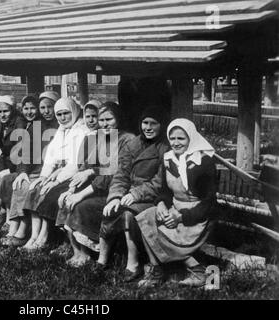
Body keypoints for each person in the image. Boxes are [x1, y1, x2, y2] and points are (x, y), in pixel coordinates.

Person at [133, 118, 217, 288]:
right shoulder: (168, 159)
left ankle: (198, 270)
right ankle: (156, 271)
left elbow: (209, 203)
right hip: (175, 209)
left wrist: (181, 217)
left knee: (161, 233)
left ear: (191, 139)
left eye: (181, 138)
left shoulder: (203, 162)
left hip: (197, 216)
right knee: (146, 217)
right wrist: (162, 204)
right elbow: (164, 191)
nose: (176, 143)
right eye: (172, 138)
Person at [56, 102, 136, 267]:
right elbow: (86, 167)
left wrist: (82, 191)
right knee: (66, 199)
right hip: (98, 186)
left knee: (82, 205)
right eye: (102, 120)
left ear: (118, 119)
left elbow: (115, 172)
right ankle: (76, 250)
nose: (105, 124)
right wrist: (71, 189)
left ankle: (87, 253)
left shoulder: (128, 139)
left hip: (117, 190)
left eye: (109, 119)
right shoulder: (99, 137)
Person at [97, 107, 169, 282]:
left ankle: (133, 262)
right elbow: (121, 174)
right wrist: (114, 196)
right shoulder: (132, 144)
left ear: (162, 126)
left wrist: (136, 193)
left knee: (129, 213)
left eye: (154, 123)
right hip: (127, 194)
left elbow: (161, 182)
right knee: (110, 209)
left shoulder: (165, 148)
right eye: (145, 123)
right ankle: (102, 260)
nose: (148, 127)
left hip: (152, 198)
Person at [0, 93, 60, 244]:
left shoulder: (59, 125)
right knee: (10, 180)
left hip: (51, 170)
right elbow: (27, 153)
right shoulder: (38, 126)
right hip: (35, 168)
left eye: (50, 107)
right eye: (43, 108)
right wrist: (22, 172)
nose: (46, 111)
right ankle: (12, 226)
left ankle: (23, 230)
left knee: (23, 186)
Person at [21, 97, 90, 251]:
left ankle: (44, 236)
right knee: (35, 188)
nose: (63, 118)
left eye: (66, 113)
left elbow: (75, 164)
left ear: (74, 111)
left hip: (74, 174)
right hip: (59, 172)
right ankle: (34, 235)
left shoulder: (81, 131)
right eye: (59, 114)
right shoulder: (61, 130)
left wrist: (56, 180)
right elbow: (50, 157)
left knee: (49, 191)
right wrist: (43, 177)